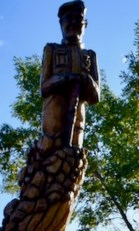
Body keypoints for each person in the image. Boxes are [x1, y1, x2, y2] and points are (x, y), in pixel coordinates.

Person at [40, 1, 100, 153]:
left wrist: (86, 81)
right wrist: (67, 79)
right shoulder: (51, 50)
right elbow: (44, 87)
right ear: (61, 23)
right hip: (53, 121)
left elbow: (96, 96)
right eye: (69, 18)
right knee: (50, 156)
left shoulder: (90, 56)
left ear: (84, 25)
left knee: (74, 158)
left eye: (78, 19)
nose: (73, 23)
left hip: (77, 123)